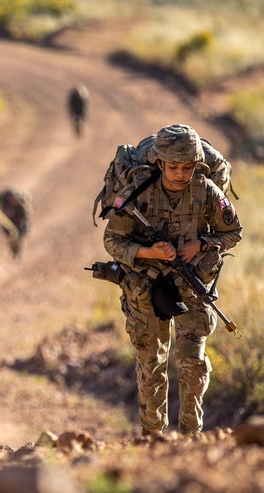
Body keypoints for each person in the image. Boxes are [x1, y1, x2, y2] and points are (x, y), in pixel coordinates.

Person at [102, 123, 242, 438]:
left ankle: (192, 436)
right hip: (146, 286)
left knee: (193, 365)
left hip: (193, 286)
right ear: (160, 163)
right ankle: (153, 437)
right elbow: (112, 241)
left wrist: (202, 244)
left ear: (197, 164)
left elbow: (234, 232)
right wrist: (148, 251)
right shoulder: (137, 191)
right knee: (151, 364)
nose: (180, 174)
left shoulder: (208, 191)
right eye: (173, 167)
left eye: (187, 167)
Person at [0, 187, 31, 260]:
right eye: (11, 199)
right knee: (12, 240)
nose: (13, 201)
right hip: (10, 226)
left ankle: (17, 252)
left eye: (14, 199)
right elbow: (3, 220)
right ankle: (14, 252)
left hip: (18, 224)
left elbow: (25, 217)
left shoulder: (21, 206)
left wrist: (22, 225)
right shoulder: (5, 207)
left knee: (18, 239)